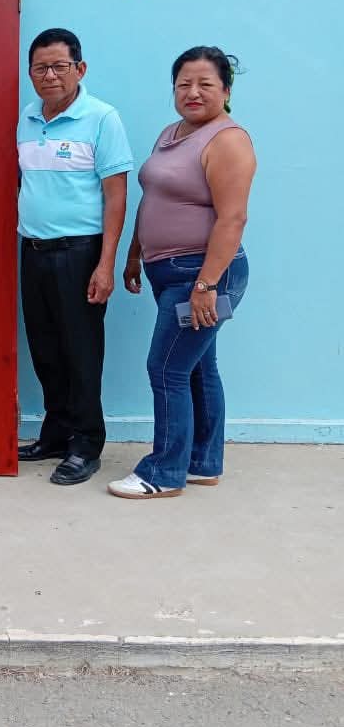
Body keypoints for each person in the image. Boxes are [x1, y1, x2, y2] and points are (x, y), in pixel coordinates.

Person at [108, 47, 256, 499]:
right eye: (183, 84)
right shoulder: (171, 133)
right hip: (168, 271)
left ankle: (164, 472)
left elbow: (232, 219)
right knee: (197, 366)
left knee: (167, 368)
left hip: (203, 274)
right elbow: (153, 197)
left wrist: (206, 285)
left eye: (205, 84)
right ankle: (202, 463)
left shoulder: (228, 141)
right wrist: (135, 254)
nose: (193, 92)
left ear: (225, 90)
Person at [17, 27, 132, 485]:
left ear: (80, 69)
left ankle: (85, 444)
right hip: (34, 251)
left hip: (80, 253)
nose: (50, 76)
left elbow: (116, 197)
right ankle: (56, 434)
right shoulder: (27, 118)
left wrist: (106, 264)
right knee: (45, 350)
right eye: (40, 68)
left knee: (81, 352)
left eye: (59, 66)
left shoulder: (102, 119)